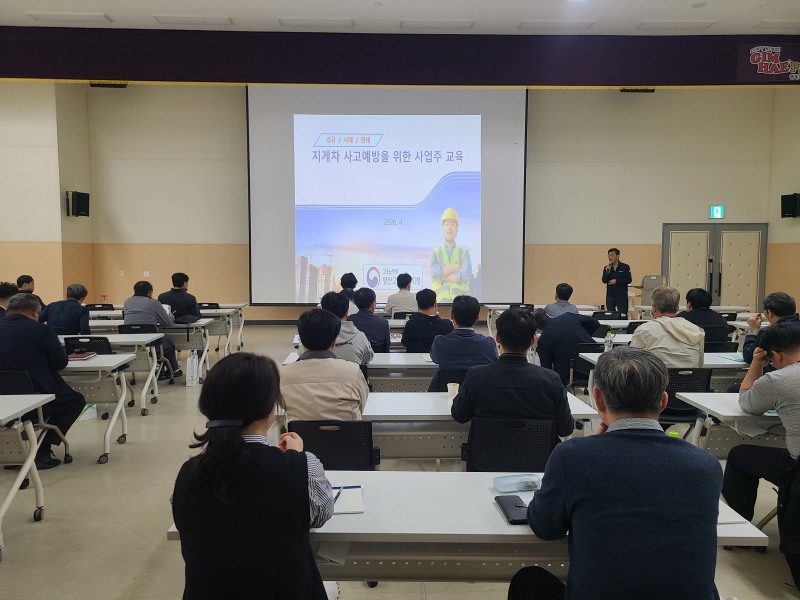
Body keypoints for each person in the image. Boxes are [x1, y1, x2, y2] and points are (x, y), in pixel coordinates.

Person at [512, 347, 722, 600]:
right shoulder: (706, 465)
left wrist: (587, 449)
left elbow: (546, 527)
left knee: (528, 581)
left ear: (598, 399)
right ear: (663, 401)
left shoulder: (572, 456)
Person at [172, 352, 334, 600]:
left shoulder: (187, 474)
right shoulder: (301, 467)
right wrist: (297, 458)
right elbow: (321, 515)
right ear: (270, 409)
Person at [451, 307, 574, 436]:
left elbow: (460, 416)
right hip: (537, 454)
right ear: (533, 341)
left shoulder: (476, 376)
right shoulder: (551, 379)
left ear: (497, 337)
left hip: (487, 453)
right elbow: (565, 429)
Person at [722, 323, 800, 524]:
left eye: (772, 361)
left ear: (777, 356)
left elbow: (747, 404)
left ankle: (741, 527)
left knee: (740, 456)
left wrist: (757, 364)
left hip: (797, 469)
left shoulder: (777, 379)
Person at [0, 293, 86, 469]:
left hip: (4, 401)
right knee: (76, 400)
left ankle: (11, 451)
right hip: (35, 396)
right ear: (34, 312)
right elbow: (60, 363)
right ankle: (42, 449)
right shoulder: (41, 330)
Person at [281, 308, 369, 423]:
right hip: (348, 439)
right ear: (333, 342)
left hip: (300, 439)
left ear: (301, 341)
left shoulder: (284, 374)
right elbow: (362, 405)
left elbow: (281, 411)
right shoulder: (353, 371)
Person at [429, 294, 497, 391]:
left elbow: (435, 359)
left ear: (452, 315)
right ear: (477, 318)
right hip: (478, 398)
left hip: (446, 394)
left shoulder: (440, 342)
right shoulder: (489, 344)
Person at [630, 285, 705, 368]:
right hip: (692, 380)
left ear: (654, 308)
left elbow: (634, 365)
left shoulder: (643, 330)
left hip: (658, 380)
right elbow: (700, 364)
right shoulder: (696, 330)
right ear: (677, 308)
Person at [123, 281, 182, 378]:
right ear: (150, 292)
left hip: (131, 344)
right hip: (151, 345)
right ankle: (174, 370)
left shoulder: (127, 302)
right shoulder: (154, 303)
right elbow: (168, 323)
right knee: (168, 344)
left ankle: (161, 369)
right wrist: (171, 316)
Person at [533, 309, 600, 386]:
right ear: (548, 315)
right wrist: (585, 335)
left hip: (569, 376)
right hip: (595, 365)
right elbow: (595, 323)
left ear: (537, 327)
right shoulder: (569, 316)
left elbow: (547, 369)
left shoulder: (543, 340)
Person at [309, 291, 373, 365]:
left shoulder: (311, 334)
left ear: (322, 312)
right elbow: (368, 358)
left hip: (319, 375)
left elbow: (301, 353)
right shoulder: (360, 337)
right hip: (350, 375)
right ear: (346, 314)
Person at [743, 292, 800, 370]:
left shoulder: (769, 332)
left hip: (777, 377)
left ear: (769, 313)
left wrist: (753, 330)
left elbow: (749, 357)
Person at [430, 207, 472, 303]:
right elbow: (435, 275)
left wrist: (443, 273)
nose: (449, 227)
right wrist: (456, 266)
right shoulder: (435, 252)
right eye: (447, 224)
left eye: (453, 224)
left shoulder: (464, 253)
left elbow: (465, 276)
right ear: (442, 228)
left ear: (457, 228)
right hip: (439, 303)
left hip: (462, 304)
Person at [401, 288, 454, 353]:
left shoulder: (411, 324)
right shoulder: (447, 325)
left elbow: (404, 343)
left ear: (418, 305)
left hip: (415, 361)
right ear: (435, 304)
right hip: (439, 362)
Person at [348, 287, 391, 353]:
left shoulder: (349, 320)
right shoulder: (383, 323)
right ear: (372, 304)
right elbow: (386, 348)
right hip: (378, 359)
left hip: (355, 359)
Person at [600, 248, 631, 315]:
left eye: (612, 255)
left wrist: (616, 281)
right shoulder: (606, 268)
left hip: (621, 296)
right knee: (610, 315)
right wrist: (607, 271)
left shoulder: (625, 267)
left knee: (623, 315)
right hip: (610, 296)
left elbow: (628, 280)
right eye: (608, 255)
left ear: (617, 256)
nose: (610, 257)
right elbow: (604, 280)